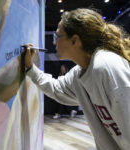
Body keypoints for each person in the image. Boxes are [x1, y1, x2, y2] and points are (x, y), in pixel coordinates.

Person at [24, 8, 130, 150]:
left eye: (58, 37)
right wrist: (30, 68)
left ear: (75, 41)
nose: (54, 43)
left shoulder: (107, 67)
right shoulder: (80, 72)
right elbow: (57, 89)